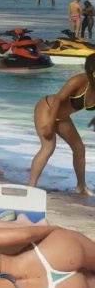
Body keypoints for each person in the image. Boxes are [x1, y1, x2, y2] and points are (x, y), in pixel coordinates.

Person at [27, 54, 95, 193]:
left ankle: (81, 187)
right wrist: (50, 123)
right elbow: (58, 99)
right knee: (48, 147)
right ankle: (30, 188)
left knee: (79, 148)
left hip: (62, 117)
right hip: (47, 108)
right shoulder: (79, 80)